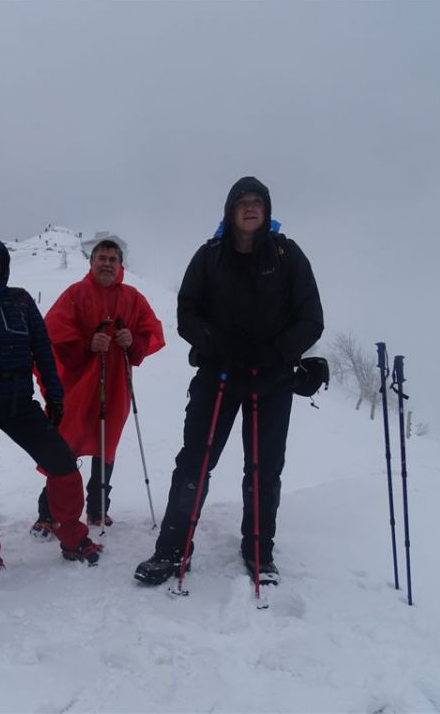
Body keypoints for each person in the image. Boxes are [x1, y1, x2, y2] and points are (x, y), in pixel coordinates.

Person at [134, 176, 324, 587]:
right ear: (230, 210)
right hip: (217, 376)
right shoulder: (209, 255)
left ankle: (259, 550)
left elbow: (311, 318)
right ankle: (171, 549)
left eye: (258, 201)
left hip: (270, 379)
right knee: (195, 464)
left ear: (267, 209)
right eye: (243, 202)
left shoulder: (287, 255)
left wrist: (273, 352)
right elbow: (187, 311)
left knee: (263, 468)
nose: (251, 207)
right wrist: (214, 342)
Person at [0, 235, 103, 571]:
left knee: (63, 463)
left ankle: (70, 534)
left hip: (19, 401)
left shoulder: (22, 302)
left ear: (3, 264)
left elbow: (42, 348)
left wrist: (54, 394)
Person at [31, 239, 165, 536]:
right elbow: (53, 333)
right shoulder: (75, 295)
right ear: (91, 263)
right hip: (77, 386)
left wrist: (134, 341)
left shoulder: (133, 298)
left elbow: (150, 330)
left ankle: (97, 508)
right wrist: (86, 345)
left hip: (116, 383)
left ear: (120, 265)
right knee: (64, 445)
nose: (106, 263)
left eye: (112, 259)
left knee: (107, 445)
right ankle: (48, 512)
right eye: (101, 258)